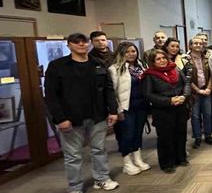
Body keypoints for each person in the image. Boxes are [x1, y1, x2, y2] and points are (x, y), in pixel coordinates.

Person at [45, 33, 119, 192]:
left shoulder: (98, 64)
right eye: (76, 42)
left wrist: (113, 111)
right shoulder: (57, 66)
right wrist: (60, 118)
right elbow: (51, 95)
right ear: (69, 45)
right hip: (70, 118)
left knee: (99, 150)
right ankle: (75, 187)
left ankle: (101, 179)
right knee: (73, 156)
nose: (81, 45)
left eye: (84, 42)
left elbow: (108, 89)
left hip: (97, 115)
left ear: (88, 44)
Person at [142, 49, 190, 174]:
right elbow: (148, 94)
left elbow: (186, 84)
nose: (162, 60)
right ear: (152, 61)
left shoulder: (175, 69)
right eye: (158, 59)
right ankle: (167, 163)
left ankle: (181, 158)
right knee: (165, 138)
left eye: (163, 58)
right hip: (163, 111)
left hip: (180, 106)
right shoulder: (149, 75)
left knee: (181, 134)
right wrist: (169, 101)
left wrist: (184, 96)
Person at [108, 41, 150, 176]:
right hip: (126, 107)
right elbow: (112, 91)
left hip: (141, 105)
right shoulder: (115, 69)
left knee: (138, 132)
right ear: (121, 53)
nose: (131, 54)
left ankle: (137, 158)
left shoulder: (142, 66)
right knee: (127, 134)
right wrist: (116, 110)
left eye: (133, 51)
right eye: (127, 52)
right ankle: (127, 162)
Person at [183, 37, 212, 149]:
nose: (198, 45)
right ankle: (197, 138)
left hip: (206, 91)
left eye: (200, 43)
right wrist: (198, 90)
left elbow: (211, 75)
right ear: (190, 45)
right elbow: (187, 78)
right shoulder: (185, 59)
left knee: (208, 114)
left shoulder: (207, 58)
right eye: (195, 43)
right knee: (195, 116)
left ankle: (208, 136)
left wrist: (209, 88)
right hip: (194, 93)